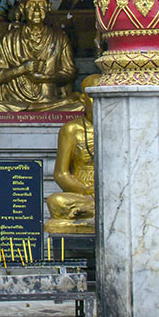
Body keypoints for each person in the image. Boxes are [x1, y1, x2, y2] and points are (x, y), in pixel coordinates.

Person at [0, 0, 82, 115]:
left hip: (50, 99)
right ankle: (35, 110)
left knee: (81, 105)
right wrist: (22, 69)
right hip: (15, 101)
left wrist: (46, 78)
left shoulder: (60, 38)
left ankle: (33, 110)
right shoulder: (8, 39)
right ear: (22, 8)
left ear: (49, 7)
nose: (37, 10)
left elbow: (70, 72)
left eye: (41, 4)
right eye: (31, 5)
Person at [45, 74, 99, 233]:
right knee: (56, 201)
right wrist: (86, 190)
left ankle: (88, 218)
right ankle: (93, 217)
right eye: (94, 98)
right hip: (83, 193)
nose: (99, 103)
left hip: (110, 192)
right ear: (83, 100)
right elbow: (61, 174)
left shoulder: (117, 126)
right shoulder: (71, 130)